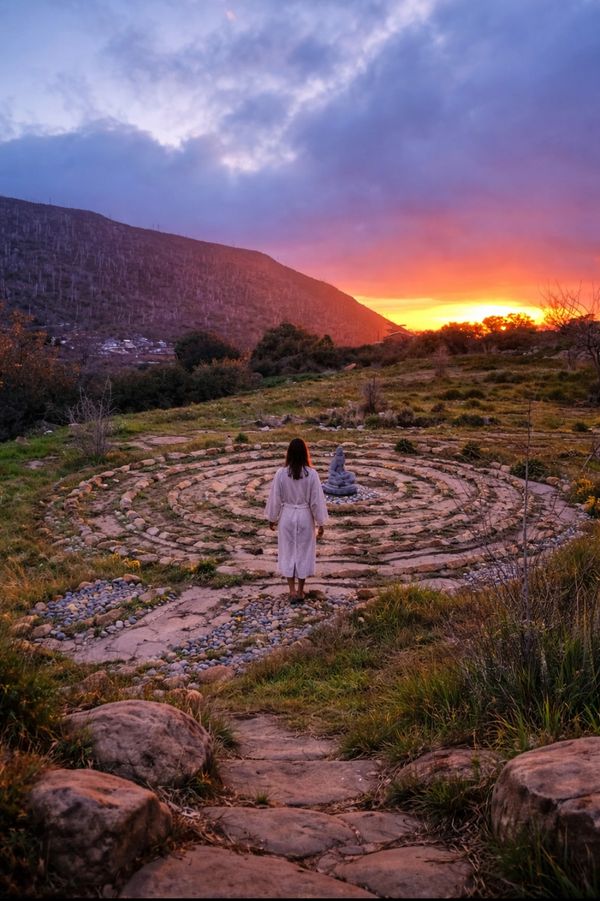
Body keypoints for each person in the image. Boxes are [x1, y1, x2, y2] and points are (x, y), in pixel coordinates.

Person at [265, 437, 329, 603]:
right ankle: (301, 591)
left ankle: (291, 590)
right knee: (303, 552)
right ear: (305, 453)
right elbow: (316, 501)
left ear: (289, 454)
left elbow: (275, 498)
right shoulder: (312, 474)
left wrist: (273, 518)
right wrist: (320, 523)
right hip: (305, 516)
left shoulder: (281, 474)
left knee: (287, 551)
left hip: (286, 516)